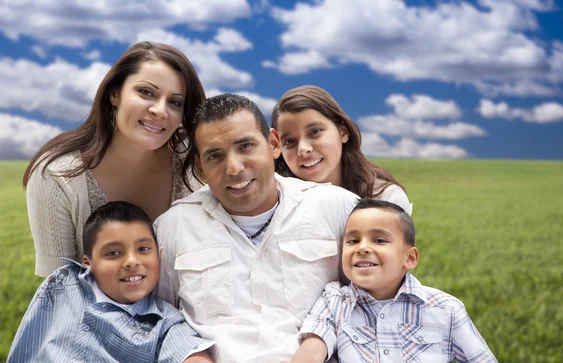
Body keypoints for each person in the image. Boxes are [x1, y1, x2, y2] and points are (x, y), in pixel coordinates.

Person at [155, 94, 358, 362]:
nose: (234, 167)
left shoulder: (337, 208)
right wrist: (188, 353)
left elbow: (377, 302)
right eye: (215, 156)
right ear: (200, 168)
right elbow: (159, 318)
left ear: (273, 144)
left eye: (246, 146)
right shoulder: (173, 227)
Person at [23, 41, 206, 277]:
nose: (160, 110)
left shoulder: (195, 162)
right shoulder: (57, 178)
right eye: (146, 92)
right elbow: (59, 293)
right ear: (115, 94)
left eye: (175, 102)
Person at [289, 199, 497, 363]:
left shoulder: (446, 309)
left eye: (379, 240)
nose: (362, 248)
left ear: (410, 258)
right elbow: (312, 348)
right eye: (353, 240)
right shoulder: (334, 301)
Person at [8, 201, 214, 363]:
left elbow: (189, 351)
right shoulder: (62, 283)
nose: (132, 262)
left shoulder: (164, 322)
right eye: (113, 253)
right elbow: (28, 340)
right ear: (88, 263)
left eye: (143, 249)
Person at [271, 85, 412, 215]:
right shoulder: (275, 203)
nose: (303, 149)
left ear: (343, 132)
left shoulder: (386, 199)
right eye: (289, 142)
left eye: (315, 131)